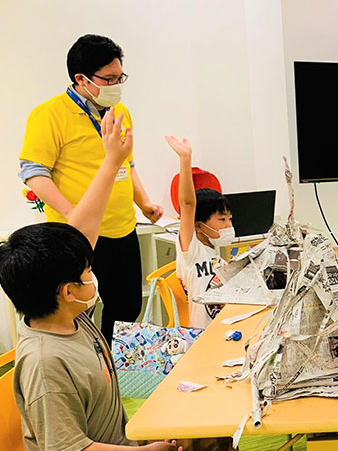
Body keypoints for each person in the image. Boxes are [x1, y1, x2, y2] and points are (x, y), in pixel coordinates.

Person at [1, 109, 181, 451]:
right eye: (87, 272)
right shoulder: (46, 363)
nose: (93, 276)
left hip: (128, 438)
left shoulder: (67, 316)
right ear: (68, 291)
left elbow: (84, 231)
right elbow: (68, 448)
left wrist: (112, 161)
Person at [18, 34, 162, 343]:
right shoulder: (49, 114)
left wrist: (144, 202)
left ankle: (112, 366)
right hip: (76, 237)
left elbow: (127, 164)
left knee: (127, 308)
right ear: (81, 79)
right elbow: (33, 174)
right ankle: (87, 365)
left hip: (123, 228)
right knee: (79, 313)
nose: (117, 85)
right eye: (109, 79)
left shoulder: (120, 111)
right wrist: (74, 214)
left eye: (120, 77)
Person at [166, 136, 232, 329]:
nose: (229, 226)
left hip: (223, 327)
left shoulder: (214, 252)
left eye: (230, 219)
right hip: (201, 332)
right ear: (198, 226)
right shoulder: (192, 251)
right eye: (222, 220)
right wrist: (185, 159)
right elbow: (187, 204)